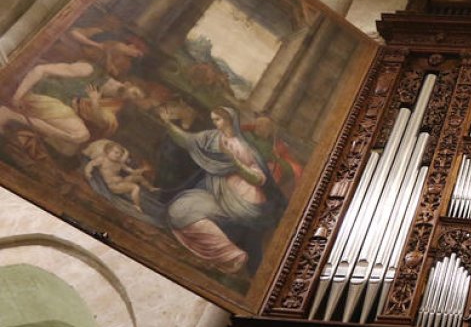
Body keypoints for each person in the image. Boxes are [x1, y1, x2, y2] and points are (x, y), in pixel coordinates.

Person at [158, 107, 275, 275]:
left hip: (239, 196)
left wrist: (235, 161)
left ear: (229, 121)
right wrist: (168, 124)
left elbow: (258, 178)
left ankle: (232, 255)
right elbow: (187, 140)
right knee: (177, 209)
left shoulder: (244, 146)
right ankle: (226, 253)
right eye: (213, 120)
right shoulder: (211, 137)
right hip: (215, 190)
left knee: (184, 212)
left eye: (218, 119)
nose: (215, 123)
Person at [0, 41, 147, 156]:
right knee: (80, 135)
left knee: (68, 148)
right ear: (128, 84)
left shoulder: (102, 95)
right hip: (42, 95)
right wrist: (18, 96)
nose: (130, 97)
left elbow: (102, 120)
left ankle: (25, 129)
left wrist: (95, 102)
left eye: (134, 99)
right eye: (135, 93)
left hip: (57, 103)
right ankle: (9, 115)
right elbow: (40, 70)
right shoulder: (89, 70)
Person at [82, 139, 156, 212]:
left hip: (121, 181)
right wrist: (87, 172)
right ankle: (137, 206)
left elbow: (132, 172)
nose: (118, 156)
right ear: (107, 151)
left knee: (138, 178)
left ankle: (151, 188)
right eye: (116, 153)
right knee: (135, 187)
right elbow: (91, 164)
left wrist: (143, 169)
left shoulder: (119, 163)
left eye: (120, 155)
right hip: (114, 186)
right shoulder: (102, 160)